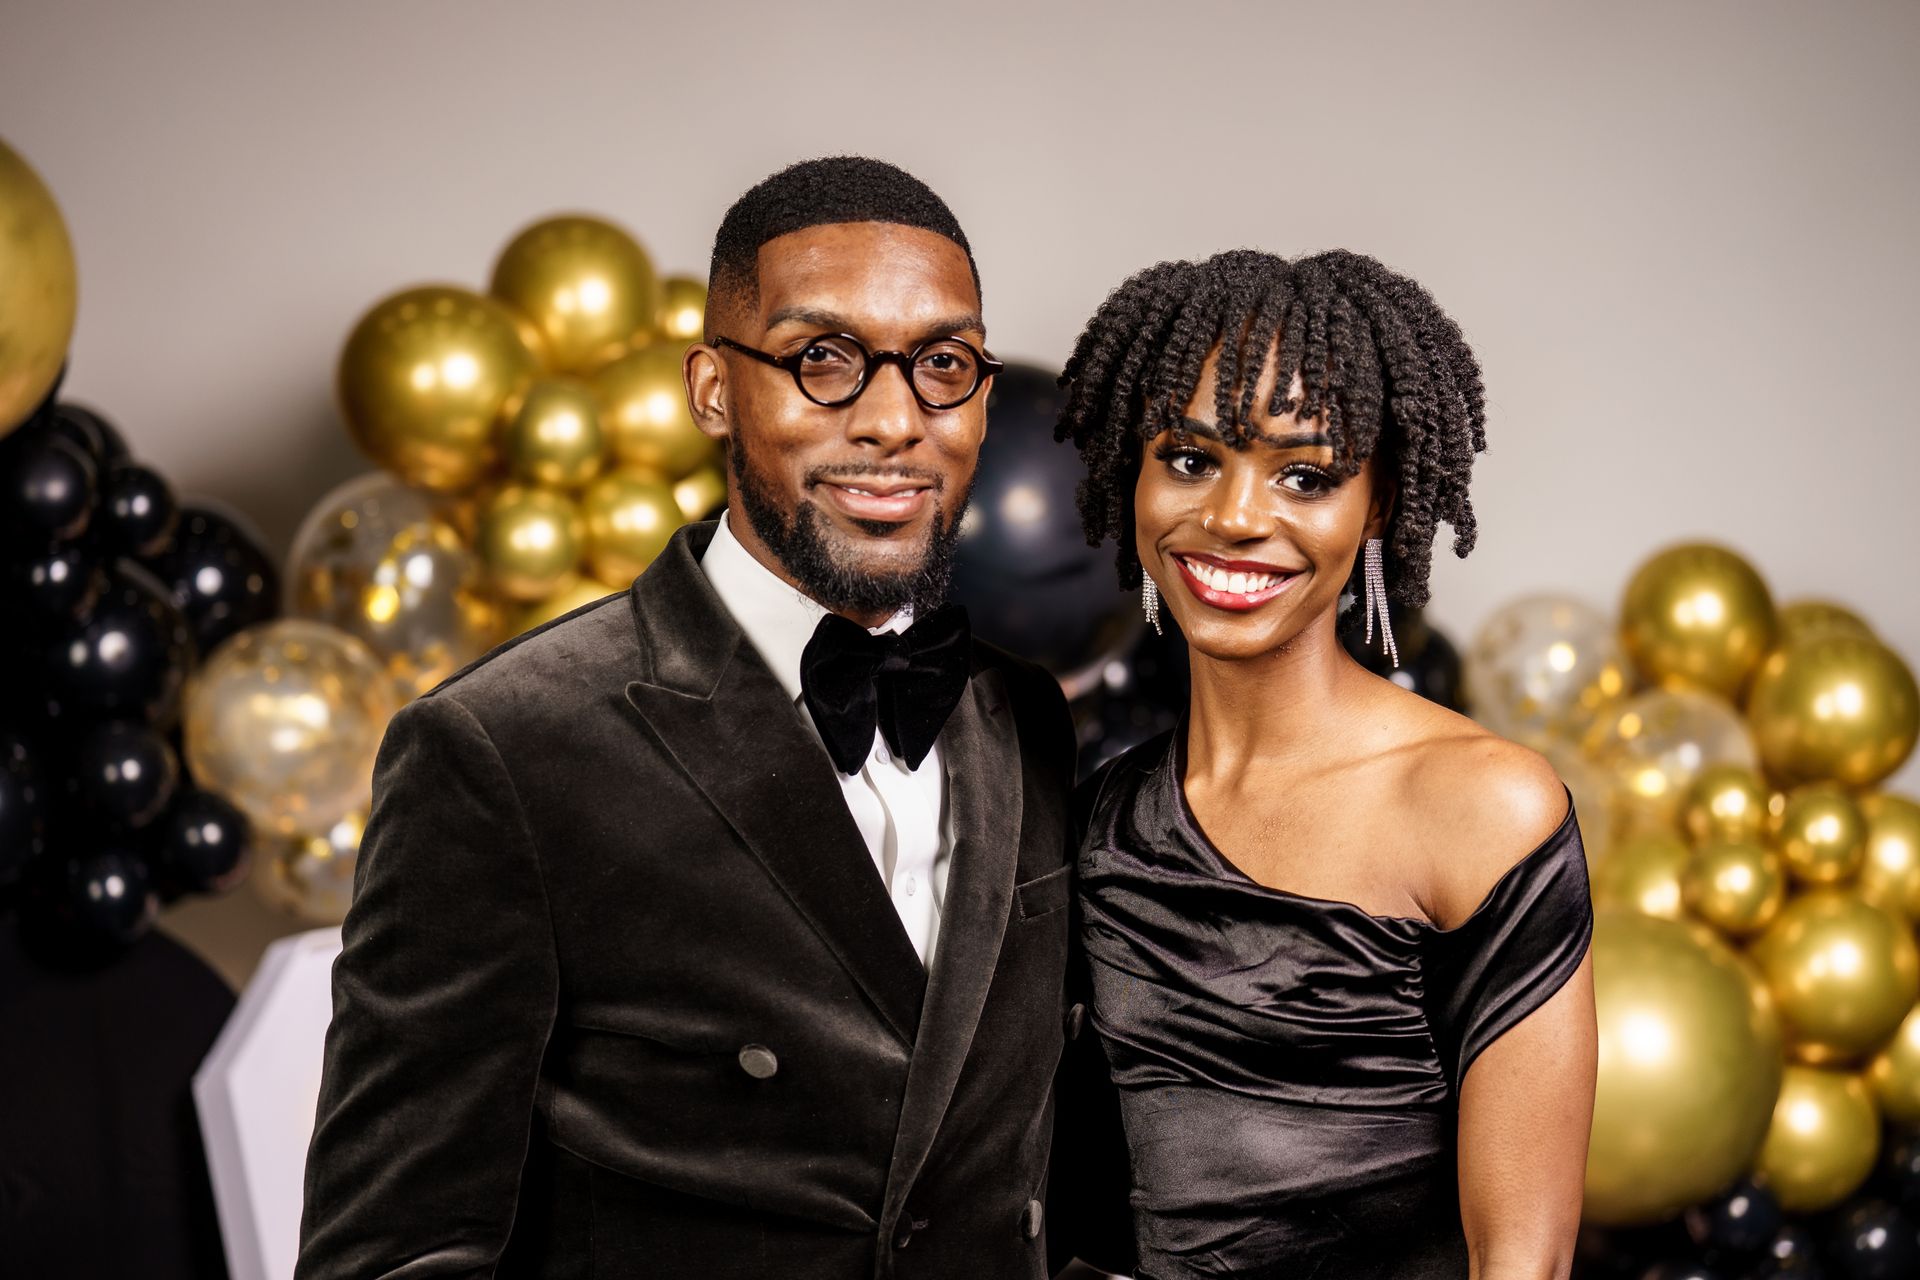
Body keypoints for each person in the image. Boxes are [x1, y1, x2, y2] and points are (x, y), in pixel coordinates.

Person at [297, 157, 1086, 1280]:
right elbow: (393, 1253)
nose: (894, 420)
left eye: (943, 365)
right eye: (825, 359)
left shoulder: (1027, 715)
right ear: (713, 388)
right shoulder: (501, 750)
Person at [1053, 249, 1598, 1279]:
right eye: (1189, 457)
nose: (1235, 516)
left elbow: (1525, 1252)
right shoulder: (1102, 824)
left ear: (1380, 504)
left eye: (1305, 474)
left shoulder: (1478, 804)